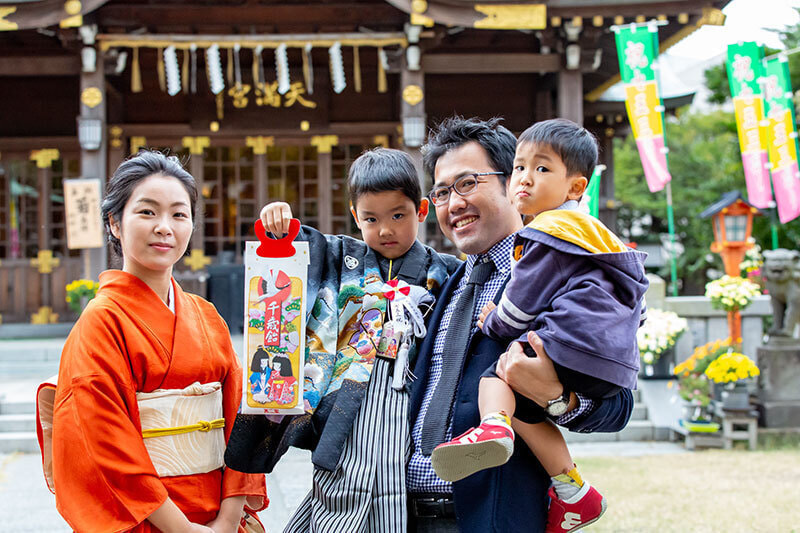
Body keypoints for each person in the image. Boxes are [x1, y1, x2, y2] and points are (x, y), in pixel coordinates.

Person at [407, 116, 636, 533]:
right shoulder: (440, 287)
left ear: (512, 182)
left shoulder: (569, 276)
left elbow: (618, 404)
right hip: (407, 516)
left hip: (495, 520)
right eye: (441, 192)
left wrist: (554, 397)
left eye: (467, 183)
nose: (453, 203)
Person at [224, 148, 460, 532]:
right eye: (371, 218)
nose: (385, 230)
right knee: (338, 502)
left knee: (397, 510)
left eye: (398, 215)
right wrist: (281, 225)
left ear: (421, 210)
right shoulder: (341, 258)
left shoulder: (445, 271)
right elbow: (301, 246)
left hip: (407, 423)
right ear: (355, 216)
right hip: (348, 420)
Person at [36, 151, 267, 532]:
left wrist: (228, 518)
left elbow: (242, 419)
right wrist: (182, 528)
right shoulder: (102, 321)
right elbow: (105, 441)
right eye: (147, 212)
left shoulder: (207, 315)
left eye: (179, 214)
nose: (165, 227)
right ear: (114, 222)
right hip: (144, 518)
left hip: (221, 513)